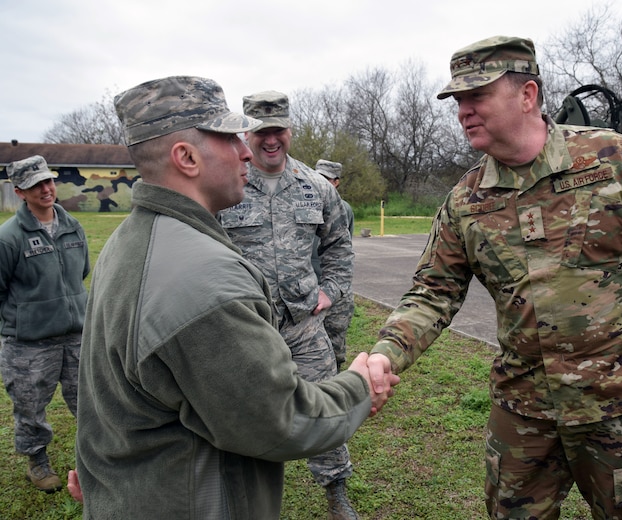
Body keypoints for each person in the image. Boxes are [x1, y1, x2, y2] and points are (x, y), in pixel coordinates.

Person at [366, 35, 622, 519]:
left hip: (618, 404)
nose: (464, 110)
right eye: (458, 100)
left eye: (477, 96)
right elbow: (432, 292)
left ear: (527, 95)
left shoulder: (610, 158)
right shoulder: (466, 200)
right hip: (523, 410)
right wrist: (387, 354)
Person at [75, 76, 397, 519]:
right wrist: (362, 387)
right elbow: (279, 419)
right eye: (231, 138)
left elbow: (103, 385)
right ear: (186, 158)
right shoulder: (204, 284)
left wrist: (93, 462)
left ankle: (335, 486)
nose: (246, 150)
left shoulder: (129, 243)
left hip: (293, 327)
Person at [218, 91, 358, 520]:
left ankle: (335, 489)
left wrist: (329, 290)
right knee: (242, 412)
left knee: (325, 409)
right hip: (247, 327)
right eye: (261, 132)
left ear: (290, 130)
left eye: (277, 129)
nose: (270, 140)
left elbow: (338, 245)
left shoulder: (315, 187)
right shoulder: (228, 186)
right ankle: (244, 495)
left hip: (304, 324)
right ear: (248, 133)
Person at [0, 155, 89, 493]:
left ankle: (95, 456)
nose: (46, 189)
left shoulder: (73, 227)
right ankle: (38, 463)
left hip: (76, 335)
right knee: (30, 407)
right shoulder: (8, 237)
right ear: (20, 191)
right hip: (29, 343)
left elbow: (80, 274)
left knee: (89, 401)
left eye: (49, 181)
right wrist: (23, 318)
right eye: (36, 184)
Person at [312, 159, 355, 371]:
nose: (320, 182)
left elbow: (342, 250)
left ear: (336, 182)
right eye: (317, 176)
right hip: (308, 285)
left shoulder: (343, 209)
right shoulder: (304, 202)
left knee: (335, 340)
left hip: (334, 287)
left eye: (326, 179)